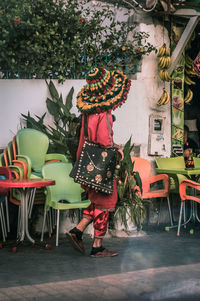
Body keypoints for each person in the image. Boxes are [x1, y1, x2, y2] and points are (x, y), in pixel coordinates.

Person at [66, 66, 131, 258]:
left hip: (87, 166)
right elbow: (104, 142)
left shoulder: (87, 114)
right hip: (102, 169)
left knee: (96, 202)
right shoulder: (104, 114)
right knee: (105, 203)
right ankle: (97, 247)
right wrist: (117, 149)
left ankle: (77, 231)